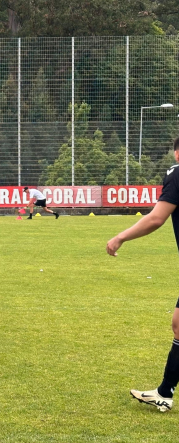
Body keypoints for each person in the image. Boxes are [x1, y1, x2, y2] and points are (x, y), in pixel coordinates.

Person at [107, 140, 179, 412]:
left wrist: (120, 237)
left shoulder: (177, 174)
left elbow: (156, 218)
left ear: (176, 151)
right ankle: (164, 392)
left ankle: (165, 392)